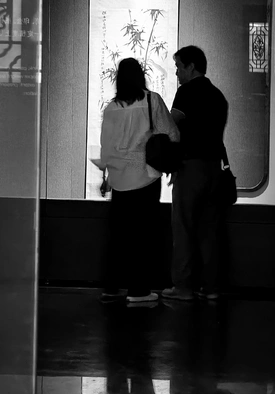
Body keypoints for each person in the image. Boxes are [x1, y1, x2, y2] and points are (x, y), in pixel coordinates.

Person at [93, 57, 180, 304]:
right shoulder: (152, 101)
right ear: (141, 75)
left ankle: (111, 287)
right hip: (145, 177)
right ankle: (138, 291)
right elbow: (172, 133)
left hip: (119, 179)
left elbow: (106, 145)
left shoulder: (111, 108)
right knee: (142, 235)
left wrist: (107, 176)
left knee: (118, 235)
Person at [162, 46, 229, 302]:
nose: (177, 73)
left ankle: (183, 287)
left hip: (190, 168)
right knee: (209, 230)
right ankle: (211, 287)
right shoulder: (218, 96)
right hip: (214, 169)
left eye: (179, 67)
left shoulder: (187, 92)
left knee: (184, 227)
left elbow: (171, 125)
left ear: (191, 66)